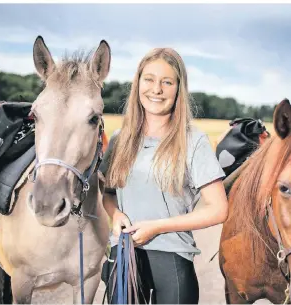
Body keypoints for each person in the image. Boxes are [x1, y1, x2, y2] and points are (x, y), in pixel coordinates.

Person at [99, 47, 229, 304]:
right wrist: (115, 214)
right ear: (138, 84)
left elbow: (218, 209)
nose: (156, 89)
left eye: (166, 82)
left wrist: (157, 227)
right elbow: (109, 195)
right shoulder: (120, 139)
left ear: (178, 89)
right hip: (125, 258)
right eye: (149, 79)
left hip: (172, 261)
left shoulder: (194, 141)